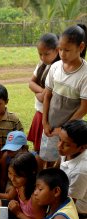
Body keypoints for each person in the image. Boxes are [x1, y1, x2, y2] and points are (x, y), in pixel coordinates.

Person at [40, 24, 87, 164]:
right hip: (50, 127)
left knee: (63, 163)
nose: (62, 54)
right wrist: (45, 122)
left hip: (68, 134)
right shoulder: (55, 67)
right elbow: (47, 96)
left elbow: (84, 107)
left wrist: (64, 130)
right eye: (60, 49)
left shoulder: (84, 74)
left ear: (81, 47)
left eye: (67, 50)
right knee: (46, 158)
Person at [27, 33, 59, 153]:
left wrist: (38, 92)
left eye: (46, 54)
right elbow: (31, 83)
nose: (42, 57)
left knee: (49, 152)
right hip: (39, 113)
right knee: (37, 148)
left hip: (50, 117)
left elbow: (44, 97)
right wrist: (40, 91)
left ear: (57, 51)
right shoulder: (41, 65)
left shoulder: (57, 68)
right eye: (40, 54)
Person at [58, 119, 87, 219]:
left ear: (82, 147)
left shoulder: (80, 171)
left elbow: (70, 204)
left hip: (77, 211)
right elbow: (57, 167)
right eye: (59, 139)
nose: (59, 146)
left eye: (66, 144)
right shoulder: (68, 151)